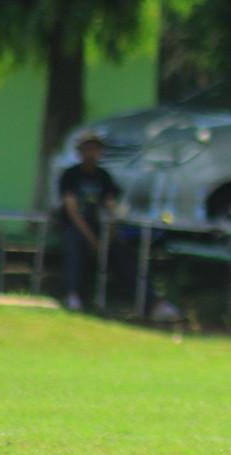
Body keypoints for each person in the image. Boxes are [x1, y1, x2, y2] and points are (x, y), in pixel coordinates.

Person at [59, 130, 181, 321]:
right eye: (88, 149)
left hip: (101, 228)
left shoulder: (104, 177)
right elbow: (72, 211)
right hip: (78, 227)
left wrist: (107, 237)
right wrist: (92, 239)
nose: (92, 153)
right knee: (74, 246)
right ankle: (72, 296)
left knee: (124, 256)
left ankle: (154, 304)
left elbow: (112, 210)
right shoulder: (71, 175)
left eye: (95, 149)